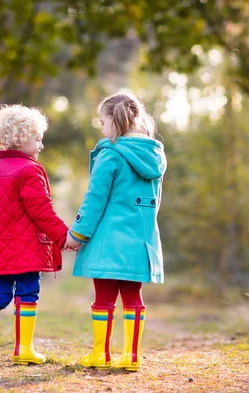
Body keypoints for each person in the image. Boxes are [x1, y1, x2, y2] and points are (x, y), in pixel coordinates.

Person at [0, 104, 69, 365]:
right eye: (37, 139)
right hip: (25, 247)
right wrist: (63, 237)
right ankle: (23, 348)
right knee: (28, 291)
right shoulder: (29, 170)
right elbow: (42, 211)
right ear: (19, 139)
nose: (41, 146)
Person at [64, 92, 167, 371]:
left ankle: (101, 354)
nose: (101, 127)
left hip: (108, 243)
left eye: (102, 121)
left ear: (116, 121)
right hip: (140, 241)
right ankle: (132, 357)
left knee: (104, 298)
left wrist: (77, 234)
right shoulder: (155, 156)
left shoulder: (110, 153)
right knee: (134, 297)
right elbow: (154, 204)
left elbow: (95, 199)